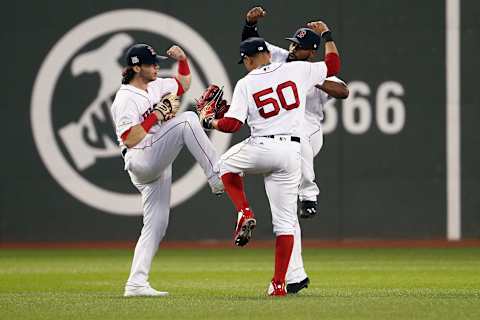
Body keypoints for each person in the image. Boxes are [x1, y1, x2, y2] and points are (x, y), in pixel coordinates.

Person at [201, 29, 341, 296]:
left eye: (244, 60)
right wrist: (328, 36)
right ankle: (279, 284)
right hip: (292, 154)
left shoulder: (245, 83)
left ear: (250, 60)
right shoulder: (298, 70)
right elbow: (333, 65)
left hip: (263, 145)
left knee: (223, 165)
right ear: (267, 54)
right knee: (286, 223)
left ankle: (244, 212)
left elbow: (231, 125)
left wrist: (210, 121)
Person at [240, 6, 349, 294]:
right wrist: (250, 24)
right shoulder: (282, 57)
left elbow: (344, 90)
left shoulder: (308, 68)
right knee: (286, 215)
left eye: (298, 47)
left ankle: (309, 193)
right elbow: (254, 45)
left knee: (297, 135)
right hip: (283, 138)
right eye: (291, 43)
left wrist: (313, 75)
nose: (291, 49)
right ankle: (295, 275)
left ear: (310, 52)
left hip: (309, 131)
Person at [110, 43, 224, 297]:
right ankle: (217, 175)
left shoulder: (156, 85)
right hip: (140, 156)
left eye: (156, 63)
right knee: (189, 119)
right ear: (136, 67)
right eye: (151, 64)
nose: (156, 67)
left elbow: (183, 83)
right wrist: (156, 116)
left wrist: (183, 58)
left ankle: (136, 284)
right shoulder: (125, 98)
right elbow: (130, 138)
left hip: (156, 157)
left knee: (156, 225)